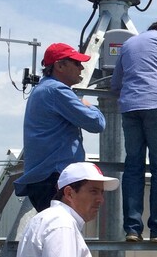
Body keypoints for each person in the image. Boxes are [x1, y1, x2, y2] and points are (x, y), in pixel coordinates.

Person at [111, 18, 157, 243]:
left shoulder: (128, 44)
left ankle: (132, 230)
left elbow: (116, 82)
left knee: (133, 167)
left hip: (130, 108)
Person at [14, 43, 106, 212]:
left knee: (55, 230)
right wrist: (89, 106)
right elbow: (96, 124)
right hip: (55, 178)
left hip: (45, 179)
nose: (81, 68)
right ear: (60, 65)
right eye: (76, 63)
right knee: (61, 230)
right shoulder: (57, 90)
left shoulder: (42, 89)